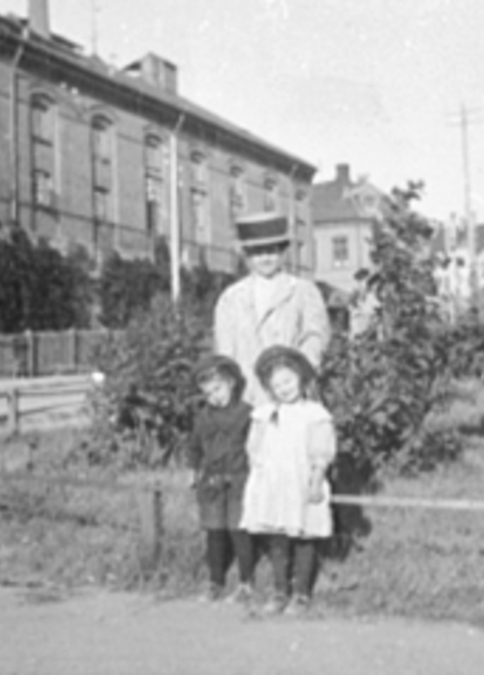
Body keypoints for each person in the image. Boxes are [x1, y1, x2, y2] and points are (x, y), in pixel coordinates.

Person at [239, 346, 337, 615]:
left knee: (305, 536)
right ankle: (279, 590)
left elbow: (321, 451)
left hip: (301, 482)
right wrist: (259, 479)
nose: (284, 388)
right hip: (273, 484)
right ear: (269, 388)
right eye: (277, 384)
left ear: (301, 378)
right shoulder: (264, 414)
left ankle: (302, 593)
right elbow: (254, 449)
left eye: (288, 381)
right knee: (278, 538)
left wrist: (316, 480)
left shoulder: (314, 413)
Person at [214, 212, 330, 407]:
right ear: (247, 255)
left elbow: (315, 338)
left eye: (272, 251)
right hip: (248, 398)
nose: (265, 258)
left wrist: (297, 377)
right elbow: (225, 350)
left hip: (291, 395)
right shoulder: (231, 298)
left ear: (282, 251)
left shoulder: (302, 292)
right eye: (258, 252)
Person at [184, 355, 256, 603]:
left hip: (239, 480)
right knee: (214, 532)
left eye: (218, 389)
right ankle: (215, 581)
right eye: (208, 392)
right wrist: (193, 469)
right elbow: (194, 446)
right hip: (212, 483)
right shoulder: (203, 417)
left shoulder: (246, 414)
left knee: (239, 531)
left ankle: (246, 583)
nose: (214, 396)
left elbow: (256, 447)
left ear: (232, 383)